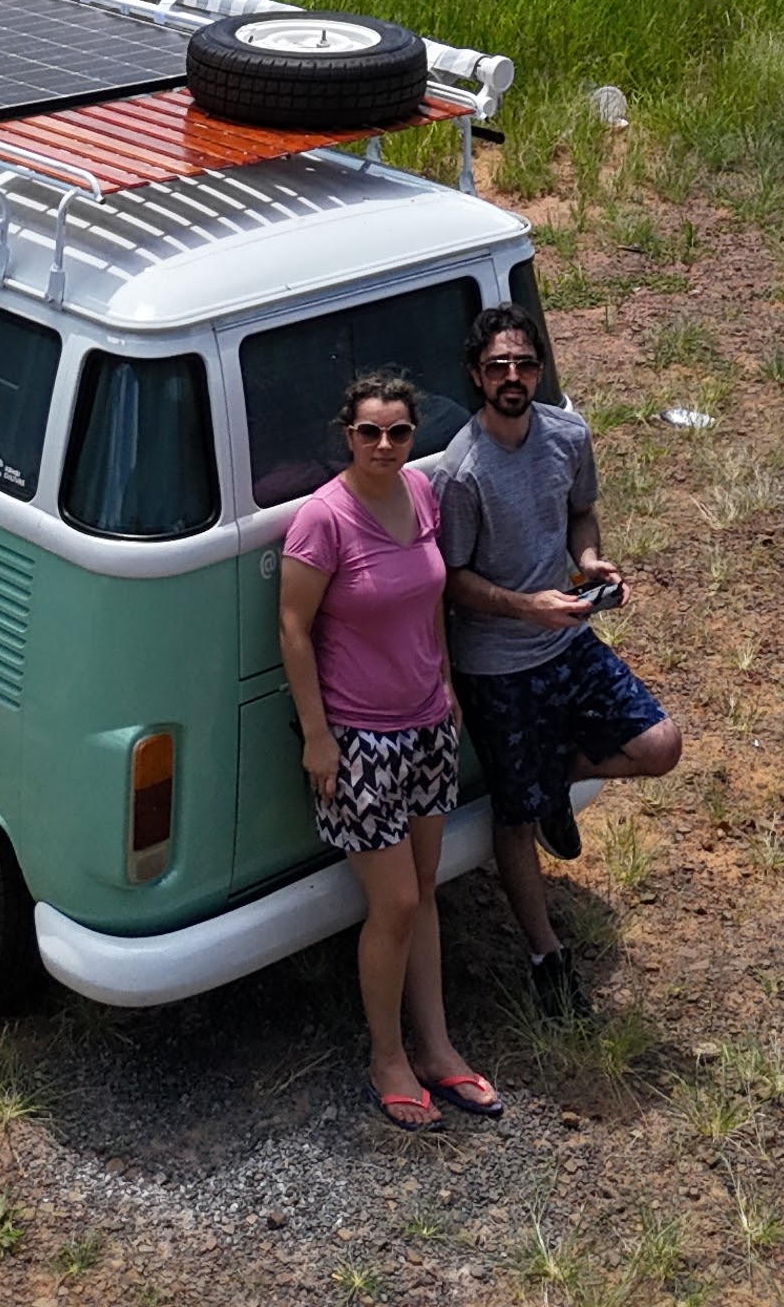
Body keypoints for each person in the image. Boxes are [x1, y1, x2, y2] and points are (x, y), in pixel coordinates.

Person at [437, 303, 682, 1015]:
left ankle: (550, 785)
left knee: (659, 744)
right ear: (477, 377)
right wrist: (526, 606)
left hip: (570, 636)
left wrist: (591, 563)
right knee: (513, 819)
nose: (512, 377)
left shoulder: (569, 435)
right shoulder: (461, 471)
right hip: (498, 662)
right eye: (497, 367)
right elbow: (450, 583)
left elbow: (581, 514)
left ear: (539, 369)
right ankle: (547, 957)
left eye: (523, 363)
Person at [279, 371, 505, 1131]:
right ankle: (387, 1056)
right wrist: (318, 738)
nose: (384, 444)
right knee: (397, 901)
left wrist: (444, 681)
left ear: (414, 436)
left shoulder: (421, 494)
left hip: (426, 724)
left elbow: (430, 598)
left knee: (424, 893)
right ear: (347, 434)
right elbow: (293, 629)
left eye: (399, 431)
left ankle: (438, 1048)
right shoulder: (323, 520)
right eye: (370, 431)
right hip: (359, 739)